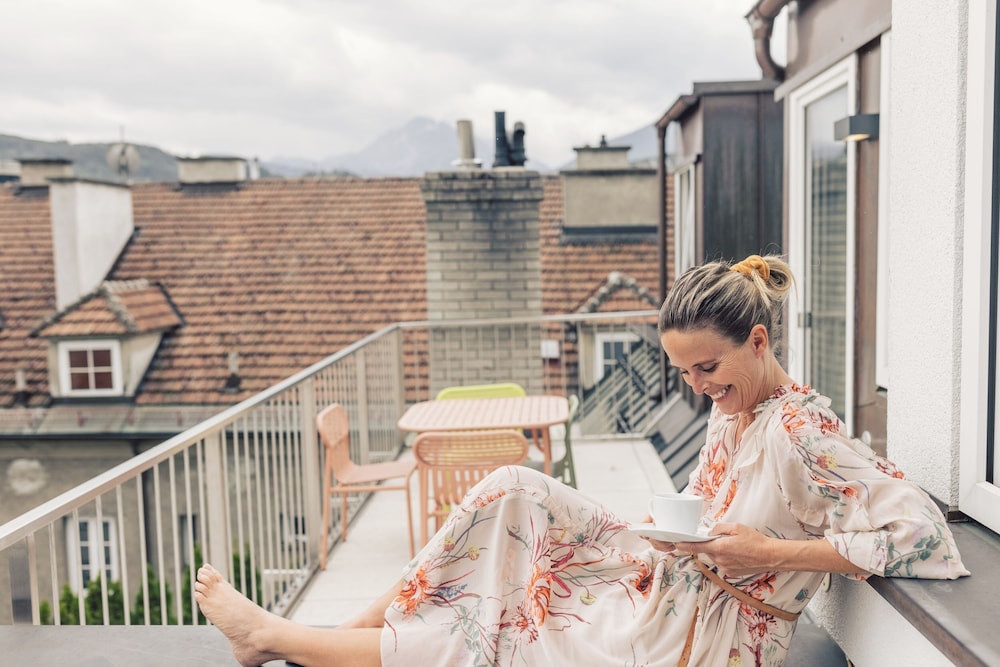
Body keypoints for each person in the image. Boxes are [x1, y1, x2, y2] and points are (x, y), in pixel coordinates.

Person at [196, 254, 969, 667]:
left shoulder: (802, 430)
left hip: (700, 637)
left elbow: (925, 536)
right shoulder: (737, 410)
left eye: (707, 367)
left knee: (502, 627)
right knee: (511, 491)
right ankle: (332, 633)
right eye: (684, 372)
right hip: (665, 582)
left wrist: (770, 554)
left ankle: (281, 640)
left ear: (759, 341)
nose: (698, 387)